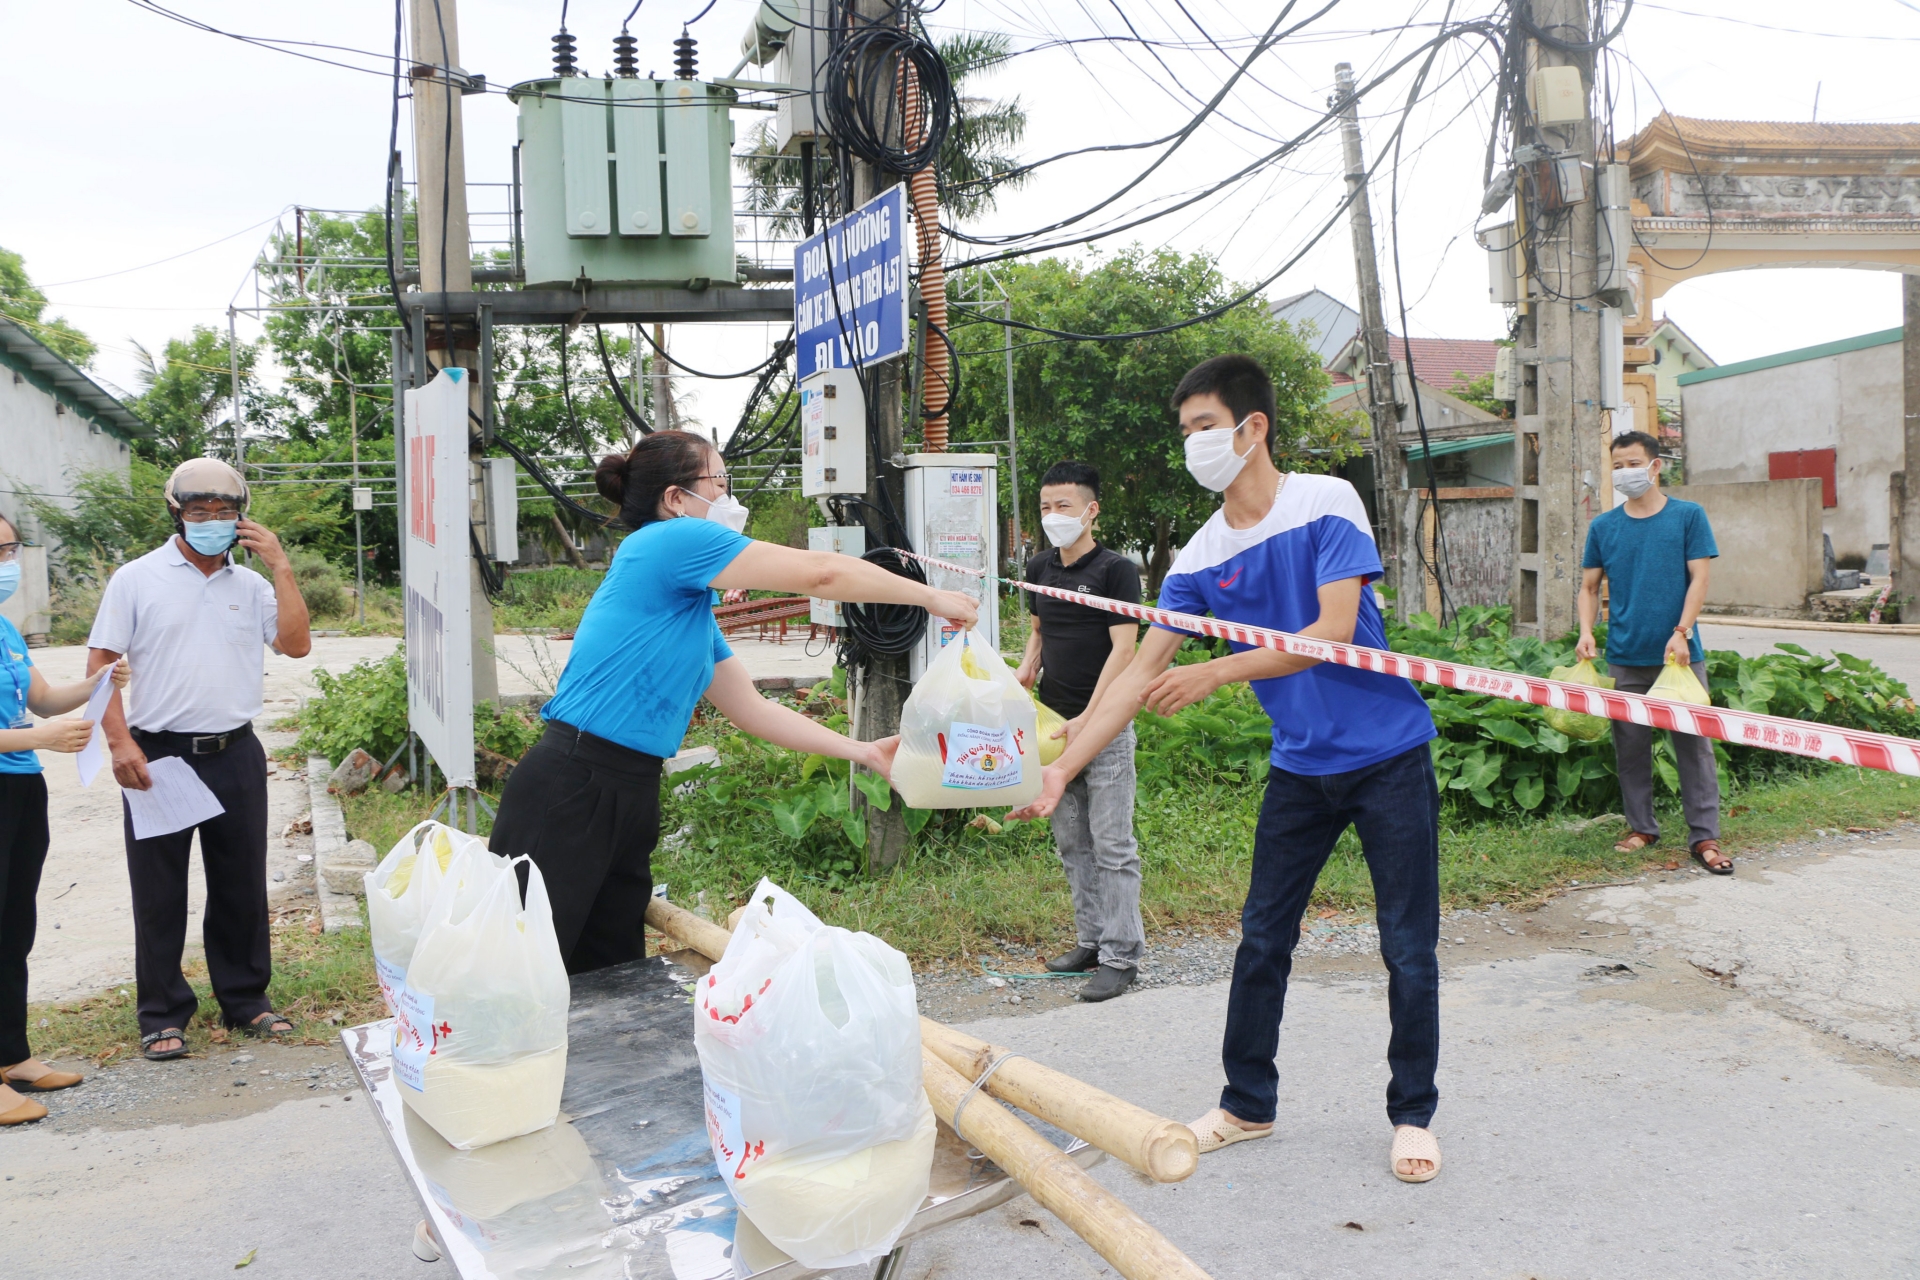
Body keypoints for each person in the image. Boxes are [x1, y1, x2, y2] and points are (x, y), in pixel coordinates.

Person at [1011, 354, 1446, 1183]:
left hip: (1388, 755)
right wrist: (1065, 767)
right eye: (1185, 431)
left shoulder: (1326, 502)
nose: (1193, 444)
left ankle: (1413, 1113)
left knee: (1407, 945)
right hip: (1300, 767)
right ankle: (1247, 1104)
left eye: (1204, 426)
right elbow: (1137, 674)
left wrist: (1216, 670)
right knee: (1262, 937)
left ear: (1253, 428)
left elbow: (1333, 631)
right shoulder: (1201, 557)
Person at [489, 430, 978, 975]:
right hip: (572, 784)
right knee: (519, 974)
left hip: (630, 789)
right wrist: (930, 595)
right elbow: (822, 573)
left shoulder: (688, 610)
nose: (729, 497)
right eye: (719, 482)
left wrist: (861, 752)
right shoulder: (668, 540)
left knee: (608, 979)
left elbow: (752, 710)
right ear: (676, 498)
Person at [88, 459, 313, 1062]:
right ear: (177, 514)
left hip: (235, 752)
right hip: (159, 754)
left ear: (242, 518)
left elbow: (295, 645)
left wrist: (282, 567)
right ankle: (162, 1013)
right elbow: (101, 665)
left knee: (241, 884)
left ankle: (246, 1000)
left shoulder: (253, 586)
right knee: (159, 890)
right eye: (199, 511)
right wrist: (119, 743)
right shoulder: (137, 579)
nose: (212, 520)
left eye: (224, 511)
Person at [0, 514, 130, 1124]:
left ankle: (12, 1056)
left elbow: (42, 700)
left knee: (13, 927)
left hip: (21, 788)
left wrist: (96, 682)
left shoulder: (5, 627)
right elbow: (37, 724)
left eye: (9, 549)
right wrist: (38, 736)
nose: (6, 563)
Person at [1013, 461, 1143, 1002]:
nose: (1053, 516)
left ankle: (1122, 956)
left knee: (1113, 844)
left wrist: (1092, 714)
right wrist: (1026, 670)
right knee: (1072, 843)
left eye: (1063, 506)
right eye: (1046, 506)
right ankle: (1091, 941)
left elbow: (1125, 649)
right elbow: (1040, 632)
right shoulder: (1039, 566)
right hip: (1052, 726)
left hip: (1104, 725)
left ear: (1091, 510)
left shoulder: (1117, 571)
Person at [1576, 430, 1725, 872]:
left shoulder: (1688, 516)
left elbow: (1700, 579)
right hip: (1624, 655)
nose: (1625, 473)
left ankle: (1705, 837)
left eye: (1633, 464)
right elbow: (1589, 587)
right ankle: (1642, 828)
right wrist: (1586, 631)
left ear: (1655, 466)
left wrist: (1682, 631)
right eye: (1617, 466)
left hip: (1680, 657)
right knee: (1630, 749)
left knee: (1694, 748)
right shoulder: (1604, 527)